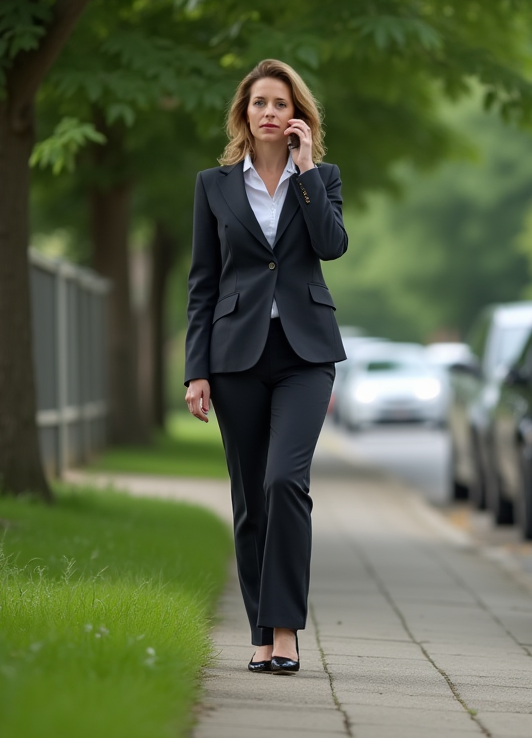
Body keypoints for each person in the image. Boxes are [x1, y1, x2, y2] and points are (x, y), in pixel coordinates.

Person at [184, 58, 347, 675]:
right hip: (234, 358)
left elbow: (331, 245)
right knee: (251, 496)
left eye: (282, 103)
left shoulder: (323, 177)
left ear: (298, 115)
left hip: (306, 355)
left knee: (285, 481)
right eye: (260, 103)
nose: (271, 113)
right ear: (244, 115)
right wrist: (196, 370)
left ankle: (286, 631)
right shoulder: (214, 185)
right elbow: (203, 283)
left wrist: (305, 174)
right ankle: (262, 631)